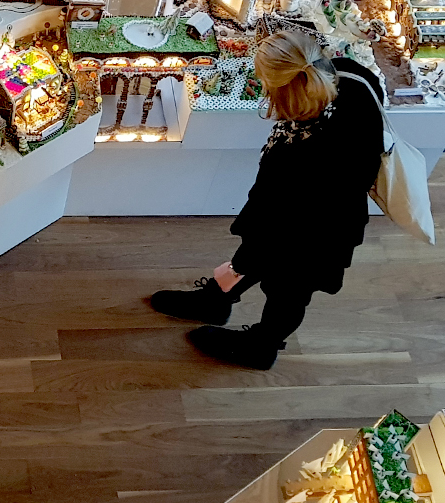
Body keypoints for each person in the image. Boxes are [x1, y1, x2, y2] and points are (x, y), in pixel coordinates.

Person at [150, 30, 385, 370]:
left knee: (288, 290)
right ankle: (217, 300)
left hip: (314, 233)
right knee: (272, 273)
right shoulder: (350, 77)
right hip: (325, 212)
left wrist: (246, 259)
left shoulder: (303, 157)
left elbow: (274, 223)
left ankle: (263, 345)